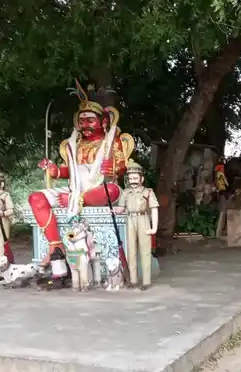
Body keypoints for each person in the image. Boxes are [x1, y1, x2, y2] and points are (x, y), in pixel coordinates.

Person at [28, 79, 134, 265]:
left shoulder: (112, 141)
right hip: (73, 191)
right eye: (82, 121)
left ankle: (76, 201)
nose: (85, 124)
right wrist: (55, 171)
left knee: (112, 191)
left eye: (90, 120)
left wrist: (114, 167)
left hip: (100, 189)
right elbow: (70, 172)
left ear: (103, 122)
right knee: (36, 198)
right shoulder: (72, 146)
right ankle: (55, 245)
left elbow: (122, 167)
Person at [114, 159, 159, 290]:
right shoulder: (126, 193)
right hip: (130, 220)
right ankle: (133, 280)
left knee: (145, 251)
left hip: (143, 219)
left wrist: (154, 228)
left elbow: (154, 209)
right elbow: (121, 208)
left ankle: (146, 281)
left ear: (141, 179)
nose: (133, 180)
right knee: (131, 251)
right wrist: (115, 210)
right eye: (131, 178)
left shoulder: (148, 192)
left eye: (135, 178)